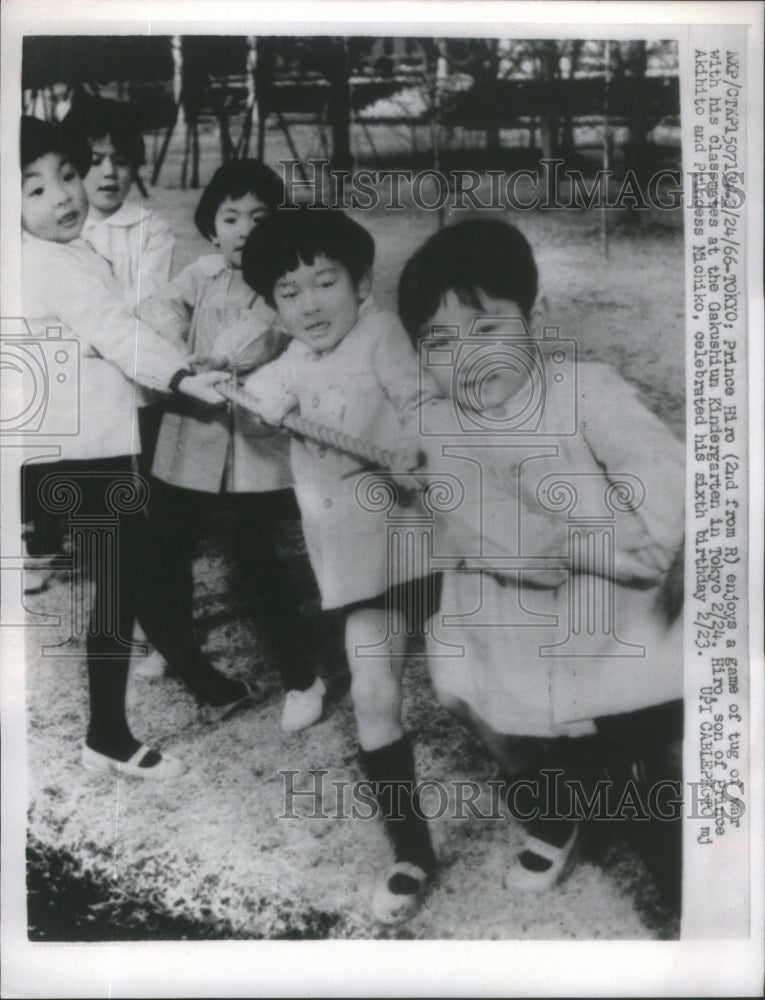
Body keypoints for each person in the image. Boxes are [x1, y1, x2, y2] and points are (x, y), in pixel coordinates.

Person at [397, 218, 684, 908]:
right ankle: (554, 811)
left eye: (487, 330)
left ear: (536, 319)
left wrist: (650, 538)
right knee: (494, 722)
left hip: (611, 620)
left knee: (636, 768)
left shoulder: (585, 390)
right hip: (501, 615)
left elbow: (659, 471)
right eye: (438, 342)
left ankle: (683, 897)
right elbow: (472, 524)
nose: (466, 360)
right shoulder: (437, 426)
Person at [240, 207, 437, 924]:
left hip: (429, 539)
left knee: (467, 690)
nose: (310, 303)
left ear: (361, 283)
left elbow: (419, 402)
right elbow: (254, 400)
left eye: (325, 281)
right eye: (288, 291)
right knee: (374, 697)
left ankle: (553, 810)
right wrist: (227, 387)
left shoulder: (380, 333)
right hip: (360, 563)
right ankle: (411, 851)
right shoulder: (290, 362)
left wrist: (418, 448)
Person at [19, 115, 229, 779]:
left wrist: (183, 362)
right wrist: (185, 378)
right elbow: (115, 330)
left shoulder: (73, 248)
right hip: (81, 450)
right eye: (33, 188)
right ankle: (109, 734)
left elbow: (128, 325)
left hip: (99, 442)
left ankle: (167, 693)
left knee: (127, 578)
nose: (63, 195)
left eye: (68, 176)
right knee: (120, 584)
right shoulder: (45, 261)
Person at [137, 161, 324, 733]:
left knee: (254, 557)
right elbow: (158, 307)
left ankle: (301, 676)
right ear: (212, 228)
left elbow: (259, 333)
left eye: (259, 217)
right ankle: (172, 639)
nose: (244, 228)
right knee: (167, 543)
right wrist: (176, 355)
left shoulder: (283, 283)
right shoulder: (202, 272)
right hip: (191, 432)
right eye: (231, 216)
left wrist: (216, 358)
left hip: (253, 448)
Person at [63, 97, 177, 676]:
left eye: (122, 160)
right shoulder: (55, 227)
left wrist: (95, 324)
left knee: (141, 513)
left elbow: (144, 310)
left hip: (139, 388)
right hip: (83, 396)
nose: (108, 172)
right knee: (98, 519)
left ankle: (151, 625)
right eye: (94, 158)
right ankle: (125, 623)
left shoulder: (150, 229)